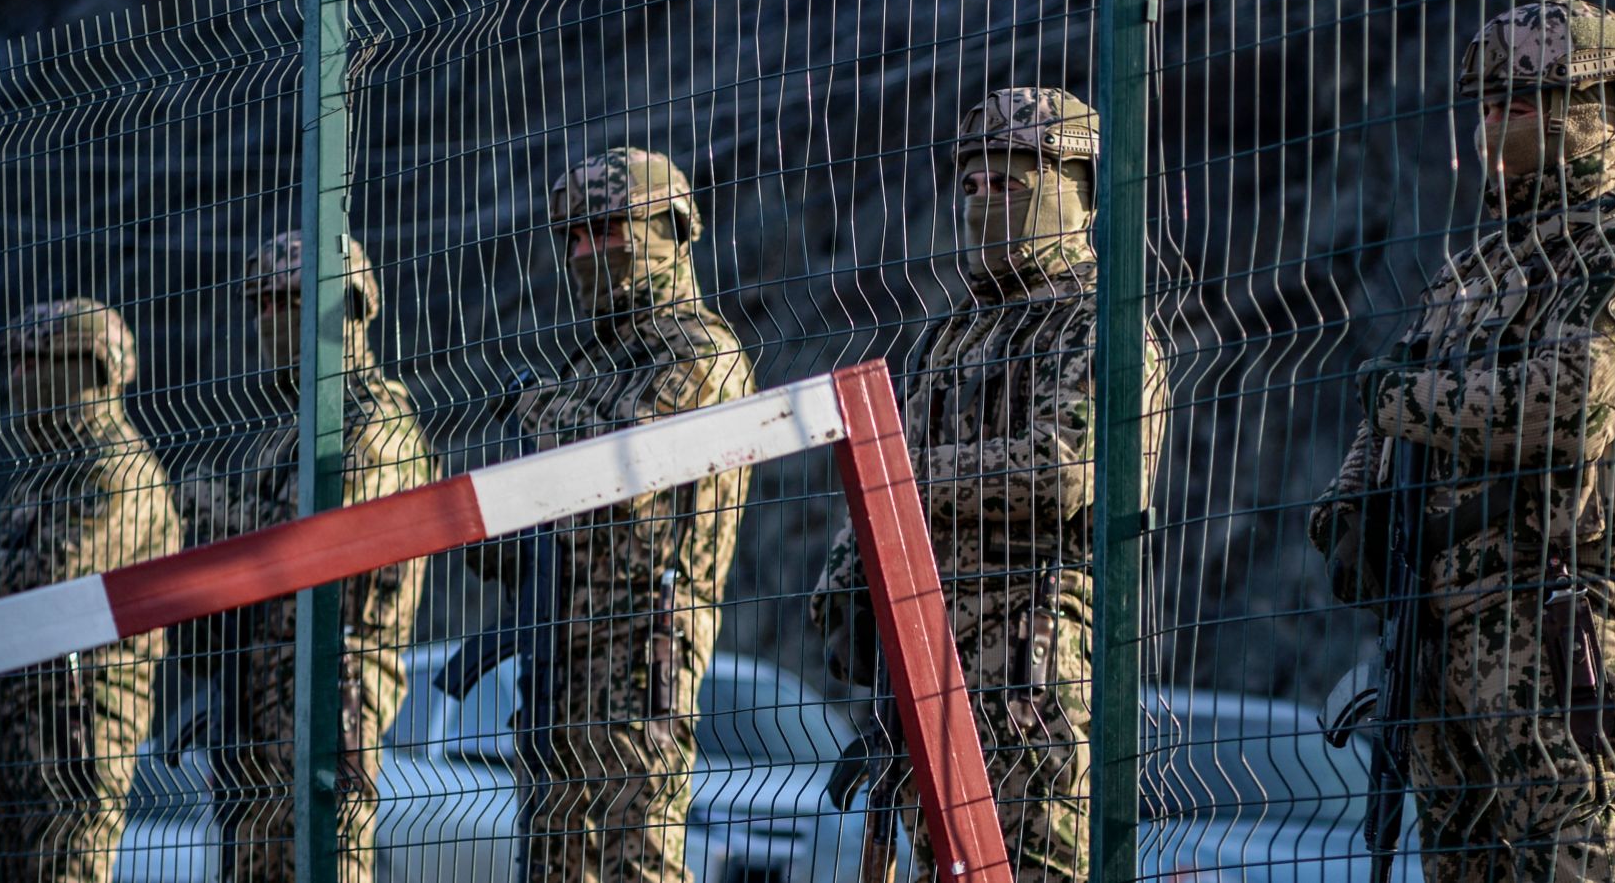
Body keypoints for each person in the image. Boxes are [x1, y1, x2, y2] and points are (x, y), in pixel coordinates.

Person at [1309, 0, 1615, 883]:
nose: (1498, 112)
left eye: (1528, 94)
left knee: (1573, 857)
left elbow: (1574, 403)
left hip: (1559, 611)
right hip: (1437, 628)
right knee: (1457, 863)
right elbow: (1380, 428)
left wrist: (1402, 398)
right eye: (1491, 98)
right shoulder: (1476, 273)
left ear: (1604, 103)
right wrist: (1347, 517)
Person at [810, 86, 1169, 882]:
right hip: (922, 659)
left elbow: (1063, 470)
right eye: (969, 186)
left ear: (1076, 188)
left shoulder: (1098, 320)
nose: (983, 204)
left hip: (1027, 670)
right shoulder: (951, 332)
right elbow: (885, 476)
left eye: (1010, 183)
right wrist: (847, 579)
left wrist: (896, 480)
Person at [478, 147, 753, 882]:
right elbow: (553, 521)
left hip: (642, 644)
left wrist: (538, 412)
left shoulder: (701, 350)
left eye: (606, 229)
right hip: (563, 644)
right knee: (556, 866)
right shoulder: (594, 364)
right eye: (573, 237)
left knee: (639, 867)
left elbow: (622, 471)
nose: (585, 251)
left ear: (670, 228)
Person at [176, 233, 435, 883]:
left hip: (329, 687)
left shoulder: (374, 418)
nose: (270, 318)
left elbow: (316, 541)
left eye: (289, 299)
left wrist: (218, 517)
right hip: (254, 692)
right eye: (260, 303)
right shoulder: (286, 432)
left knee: (323, 865)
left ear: (346, 305)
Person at [0, 298, 181, 882]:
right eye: (14, 363)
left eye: (35, 363)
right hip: (16, 721)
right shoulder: (41, 472)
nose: (17, 379)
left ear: (89, 367)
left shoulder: (115, 467)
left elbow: (55, 578)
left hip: (79, 724)